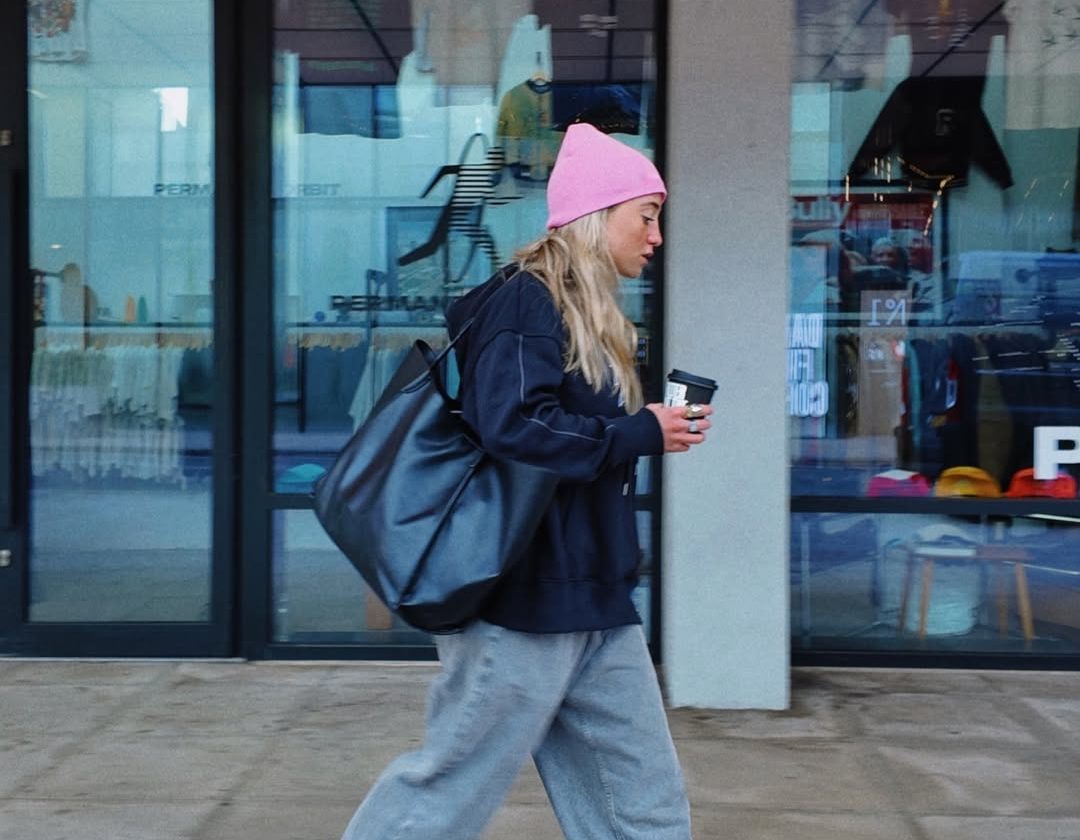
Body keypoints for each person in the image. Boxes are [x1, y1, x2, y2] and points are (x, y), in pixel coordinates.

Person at [339, 122, 711, 840]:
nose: (656, 236)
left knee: (645, 803)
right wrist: (638, 431)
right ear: (598, 213)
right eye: (646, 215)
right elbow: (513, 426)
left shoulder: (588, 315)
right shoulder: (526, 302)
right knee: (446, 791)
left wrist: (646, 430)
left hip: (595, 598)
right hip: (522, 602)